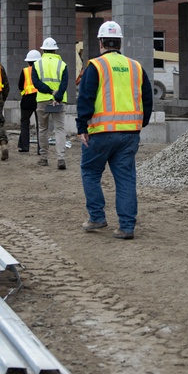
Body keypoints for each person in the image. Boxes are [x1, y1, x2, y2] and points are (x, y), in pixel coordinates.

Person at [75, 21, 153, 240]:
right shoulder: (136, 66)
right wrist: (141, 123)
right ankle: (127, 227)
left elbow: (86, 97)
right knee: (126, 179)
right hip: (129, 133)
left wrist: (82, 126)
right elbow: (147, 98)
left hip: (100, 132)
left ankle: (97, 217)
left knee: (90, 172)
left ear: (101, 42)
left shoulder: (96, 66)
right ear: (119, 42)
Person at [33, 37, 70, 169]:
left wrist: (48, 91)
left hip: (42, 100)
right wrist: (57, 96)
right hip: (59, 101)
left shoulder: (37, 64)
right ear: (55, 50)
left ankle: (44, 158)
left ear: (43, 50)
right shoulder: (62, 64)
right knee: (59, 129)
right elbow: (65, 83)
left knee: (43, 129)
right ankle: (61, 158)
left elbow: (36, 83)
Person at [17, 50, 42, 153]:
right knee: (40, 125)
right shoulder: (42, 71)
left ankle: (24, 147)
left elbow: (20, 86)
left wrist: (25, 92)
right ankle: (41, 149)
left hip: (27, 100)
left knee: (24, 123)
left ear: (28, 62)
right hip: (39, 99)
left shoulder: (25, 71)